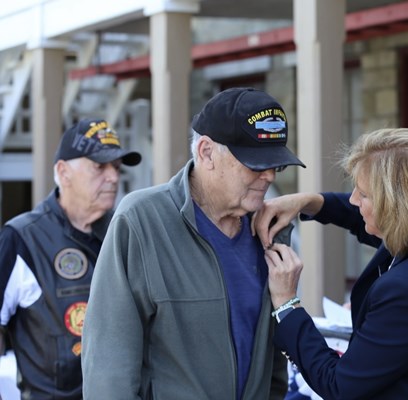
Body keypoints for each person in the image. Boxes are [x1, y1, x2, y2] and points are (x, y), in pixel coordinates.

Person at [81, 87, 305, 400]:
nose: (268, 175)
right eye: (255, 163)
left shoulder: (271, 232)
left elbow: (272, 367)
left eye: (276, 165)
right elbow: (108, 367)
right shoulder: (142, 221)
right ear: (206, 152)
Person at [254, 128, 408, 399]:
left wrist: (286, 304)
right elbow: (367, 219)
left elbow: (338, 386)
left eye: (363, 194)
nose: (354, 199)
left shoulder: (407, 290)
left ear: (399, 207)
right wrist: (311, 202)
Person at [0, 118, 141, 400]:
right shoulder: (22, 239)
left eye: (116, 167)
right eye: (99, 167)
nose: (113, 177)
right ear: (63, 172)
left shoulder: (127, 233)